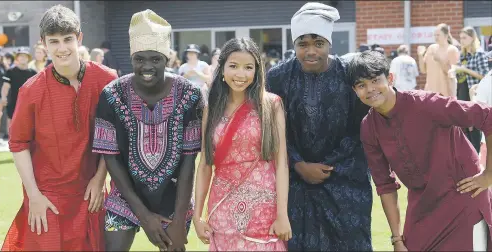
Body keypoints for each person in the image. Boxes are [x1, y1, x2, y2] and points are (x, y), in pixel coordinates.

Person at [1, 5, 118, 251]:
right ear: (43, 43)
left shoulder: (107, 80)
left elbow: (114, 134)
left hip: (90, 193)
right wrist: (33, 196)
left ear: (79, 38)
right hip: (47, 197)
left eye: (68, 39)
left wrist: (99, 179)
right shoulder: (31, 90)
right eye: (54, 41)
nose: (62, 48)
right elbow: (18, 143)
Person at [349, 50, 492, 251]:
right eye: (361, 85)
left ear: (390, 78)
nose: (370, 89)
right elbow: (384, 185)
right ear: (355, 90)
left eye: (374, 80)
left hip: (462, 197)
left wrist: (489, 174)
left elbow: (487, 116)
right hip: (422, 208)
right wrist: (397, 239)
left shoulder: (426, 104)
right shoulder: (369, 127)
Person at [91, 9, 203, 251]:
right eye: (140, 59)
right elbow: (110, 158)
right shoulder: (111, 95)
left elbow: (188, 161)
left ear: (167, 58)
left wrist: (178, 219)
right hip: (125, 197)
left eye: (155, 59)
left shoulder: (190, 94)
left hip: (175, 201)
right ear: (132, 59)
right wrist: (143, 215)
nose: (147, 66)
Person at [266, 2, 373, 251]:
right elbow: (274, 129)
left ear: (329, 44)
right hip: (295, 181)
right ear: (294, 46)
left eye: (318, 43)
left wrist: (328, 166)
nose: (311, 51)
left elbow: (360, 128)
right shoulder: (278, 76)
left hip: (346, 180)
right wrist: (298, 164)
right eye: (303, 44)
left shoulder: (350, 74)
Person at [193, 38, 291, 251]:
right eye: (233, 66)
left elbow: (281, 163)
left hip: (264, 209)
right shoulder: (211, 110)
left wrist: (282, 214)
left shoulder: (271, 105)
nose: (241, 74)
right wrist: (197, 215)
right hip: (222, 209)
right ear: (222, 69)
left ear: (257, 71)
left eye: (248, 67)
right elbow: (204, 165)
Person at [453, 27, 491, 154]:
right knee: (465, 124)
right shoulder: (463, 55)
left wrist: (465, 70)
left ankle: (477, 155)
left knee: (475, 126)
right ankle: (470, 155)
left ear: (472, 38)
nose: (462, 40)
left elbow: (485, 76)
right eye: (460, 38)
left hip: (475, 93)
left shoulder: (479, 54)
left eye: (464, 38)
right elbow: (461, 74)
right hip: (462, 92)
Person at [417, 23, 460, 97]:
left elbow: (452, 73)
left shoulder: (452, 50)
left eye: (438, 35)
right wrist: (420, 56)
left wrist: (440, 60)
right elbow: (423, 70)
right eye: (435, 35)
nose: (436, 37)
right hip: (429, 92)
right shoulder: (431, 48)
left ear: (446, 35)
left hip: (445, 93)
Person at [1, 47, 37, 127]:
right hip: (13, 101)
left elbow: (37, 89)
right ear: (17, 58)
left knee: (28, 123)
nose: (23, 58)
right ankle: (10, 139)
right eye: (21, 56)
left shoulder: (33, 73)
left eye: (25, 56)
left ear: (28, 58)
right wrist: (3, 97)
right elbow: (5, 86)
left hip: (28, 103)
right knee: (11, 121)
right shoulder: (10, 72)